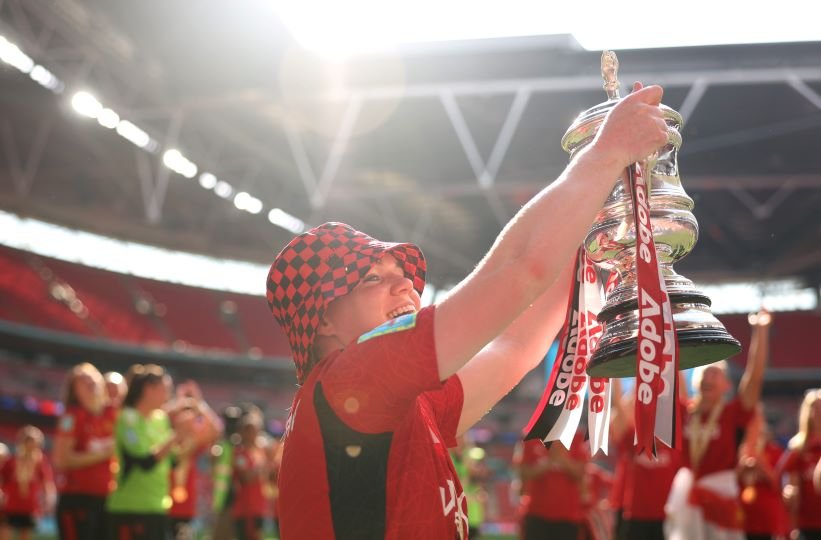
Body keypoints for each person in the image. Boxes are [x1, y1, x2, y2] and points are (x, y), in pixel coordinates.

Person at [266, 83, 669, 538]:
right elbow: (521, 269)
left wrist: (590, 231)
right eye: (371, 278)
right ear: (322, 319)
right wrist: (605, 155)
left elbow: (515, 344)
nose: (404, 283)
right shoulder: (353, 378)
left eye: (400, 271)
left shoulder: (394, 401)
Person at [666, 309, 772, 540]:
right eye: (705, 373)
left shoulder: (731, 413)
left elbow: (754, 378)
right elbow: (668, 372)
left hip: (721, 494)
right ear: (697, 381)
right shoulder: (684, 411)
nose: (709, 378)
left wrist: (760, 331)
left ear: (726, 385)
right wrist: (665, 329)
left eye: (716, 374)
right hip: (687, 495)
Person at [106, 364, 182, 540]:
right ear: (149, 389)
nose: (168, 395)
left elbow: (172, 461)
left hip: (158, 506)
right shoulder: (127, 418)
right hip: (130, 508)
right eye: (165, 389)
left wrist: (188, 437)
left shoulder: (161, 419)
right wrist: (176, 435)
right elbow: (145, 462)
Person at [52, 362, 117, 540]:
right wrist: (106, 453)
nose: (90, 382)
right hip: (77, 499)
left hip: (107, 499)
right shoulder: (71, 417)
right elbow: (61, 459)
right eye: (82, 380)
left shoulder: (113, 414)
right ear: (74, 390)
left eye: (92, 377)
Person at [167, 381, 222, 540]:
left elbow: (215, 430)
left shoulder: (195, 441)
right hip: (162, 501)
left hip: (187, 503)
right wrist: (180, 403)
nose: (187, 419)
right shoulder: (165, 435)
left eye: (191, 416)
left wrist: (199, 405)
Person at [514, 431, 589, 540]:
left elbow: (581, 473)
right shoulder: (531, 436)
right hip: (537, 514)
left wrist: (564, 459)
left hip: (568, 516)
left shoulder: (576, 437)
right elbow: (523, 473)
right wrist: (547, 463)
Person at [737, 405, 789, 540]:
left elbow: (778, 484)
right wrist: (742, 468)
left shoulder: (775, 451)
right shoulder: (739, 452)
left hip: (766, 520)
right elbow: (729, 482)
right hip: (741, 518)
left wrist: (760, 465)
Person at [779, 388, 821, 540]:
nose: (818, 413)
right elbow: (790, 484)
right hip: (807, 523)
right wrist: (788, 492)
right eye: (815, 408)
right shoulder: (798, 447)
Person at [0, 426, 55, 540]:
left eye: (33, 443)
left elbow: (47, 483)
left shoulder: (40, 462)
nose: (30, 446)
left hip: (30, 506)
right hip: (10, 505)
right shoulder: (12, 461)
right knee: (5, 533)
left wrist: (49, 500)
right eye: (27, 441)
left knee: (25, 535)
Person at [231, 408, 271, 540]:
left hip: (258, 507)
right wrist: (264, 466)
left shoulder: (260, 452)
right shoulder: (240, 454)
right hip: (245, 509)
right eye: (252, 431)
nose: (256, 435)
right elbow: (246, 478)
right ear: (244, 432)